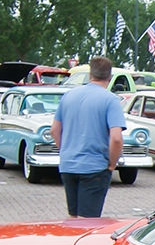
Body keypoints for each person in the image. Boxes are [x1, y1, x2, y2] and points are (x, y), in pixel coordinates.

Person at [52, 56, 125, 218]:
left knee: (73, 216)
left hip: (68, 164)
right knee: (88, 221)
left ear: (90, 74)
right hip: (95, 166)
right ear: (110, 77)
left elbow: (55, 130)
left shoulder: (69, 96)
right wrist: (112, 163)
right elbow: (116, 138)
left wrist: (64, 150)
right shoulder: (110, 100)